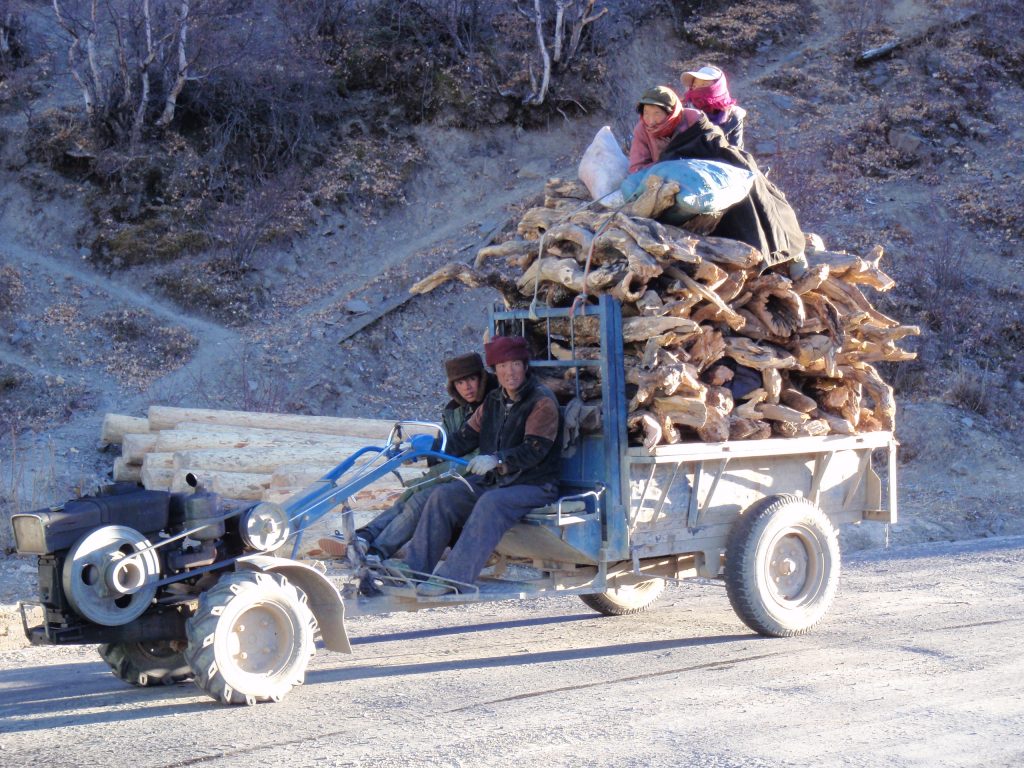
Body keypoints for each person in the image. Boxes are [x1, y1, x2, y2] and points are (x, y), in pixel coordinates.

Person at [397, 335, 562, 597]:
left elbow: (535, 449)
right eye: (503, 366)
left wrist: (497, 459)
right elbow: (465, 437)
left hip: (535, 483)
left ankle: (455, 578)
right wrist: (428, 452)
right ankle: (413, 568)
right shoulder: (494, 400)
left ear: (525, 366)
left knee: (490, 503)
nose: (510, 372)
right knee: (443, 495)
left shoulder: (541, 401)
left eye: (516, 364)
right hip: (498, 481)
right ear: (494, 370)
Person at [338, 353, 496, 563]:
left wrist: (435, 466)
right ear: (453, 386)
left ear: (481, 378)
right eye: (460, 382)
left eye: (471, 380)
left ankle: (377, 551)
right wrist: (422, 453)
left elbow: (479, 453)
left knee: (422, 497)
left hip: (477, 477)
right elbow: (445, 448)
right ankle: (365, 536)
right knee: (411, 494)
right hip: (455, 472)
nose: (467, 387)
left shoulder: (494, 405)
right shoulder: (454, 410)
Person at [627, 85, 703, 174]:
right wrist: (665, 166)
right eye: (646, 113)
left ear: (670, 113)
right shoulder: (642, 129)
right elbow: (637, 168)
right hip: (659, 179)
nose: (651, 121)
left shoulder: (693, 120)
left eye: (657, 113)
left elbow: (710, 152)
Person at [680, 65, 747, 149]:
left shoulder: (733, 117)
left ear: (717, 88)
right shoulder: (682, 112)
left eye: (704, 84)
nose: (698, 89)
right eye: (694, 86)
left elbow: (737, 152)